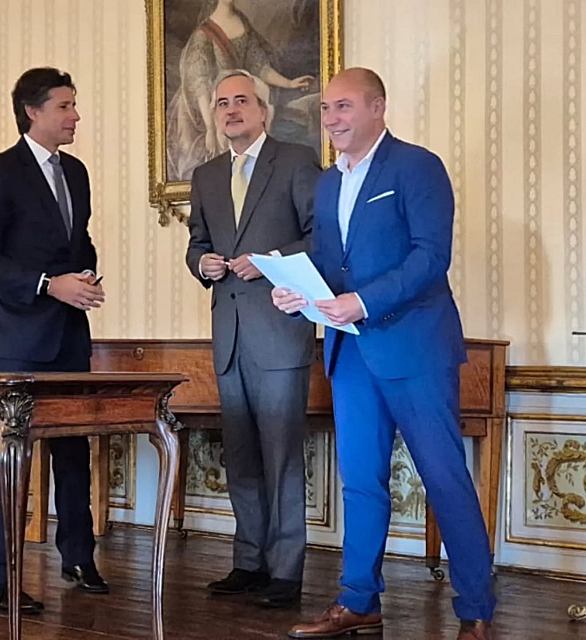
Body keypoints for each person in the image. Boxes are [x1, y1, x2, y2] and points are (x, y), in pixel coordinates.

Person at [272, 67, 496, 640]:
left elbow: (430, 258)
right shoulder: (328, 183)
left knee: (444, 479)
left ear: (378, 108)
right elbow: (330, 264)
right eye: (326, 109)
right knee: (361, 483)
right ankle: (358, 601)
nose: (331, 119)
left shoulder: (418, 167)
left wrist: (363, 302)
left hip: (415, 349)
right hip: (350, 355)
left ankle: (476, 611)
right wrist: (296, 294)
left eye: (343, 106)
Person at [0, 67, 108, 614]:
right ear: (33, 111)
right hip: (17, 335)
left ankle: (79, 557)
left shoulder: (76, 172)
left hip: (69, 331)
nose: (75, 116)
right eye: (65, 106)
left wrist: (86, 274)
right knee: (11, 458)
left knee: (73, 447)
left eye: (74, 105)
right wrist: (50, 285)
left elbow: (79, 241)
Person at [185, 68, 321, 608]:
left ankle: (285, 572)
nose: (231, 110)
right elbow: (196, 242)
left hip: (280, 332)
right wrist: (202, 263)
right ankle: (248, 562)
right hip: (230, 335)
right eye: (222, 103)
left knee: (281, 455)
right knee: (240, 456)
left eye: (241, 100)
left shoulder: (295, 161)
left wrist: (268, 262)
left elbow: (319, 237)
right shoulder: (205, 175)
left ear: (263, 111)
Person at [166, 0, 314, 181]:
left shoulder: (242, 23)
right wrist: (210, 127)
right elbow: (200, 84)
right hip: (208, 110)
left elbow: (259, 65)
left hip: (243, 102)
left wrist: (289, 84)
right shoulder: (202, 35)